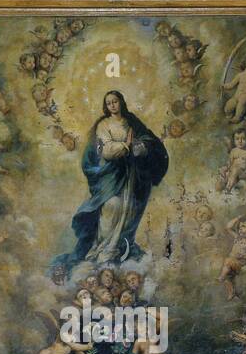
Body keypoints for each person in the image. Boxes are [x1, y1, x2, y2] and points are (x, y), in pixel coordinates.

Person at [54, 90, 168, 273]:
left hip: (131, 176)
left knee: (128, 208)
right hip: (111, 175)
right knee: (110, 206)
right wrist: (125, 146)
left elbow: (147, 140)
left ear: (121, 102)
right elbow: (105, 149)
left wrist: (140, 146)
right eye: (109, 103)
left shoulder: (132, 121)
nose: (113, 105)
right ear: (106, 107)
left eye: (115, 101)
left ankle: (116, 250)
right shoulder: (103, 125)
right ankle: (101, 250)